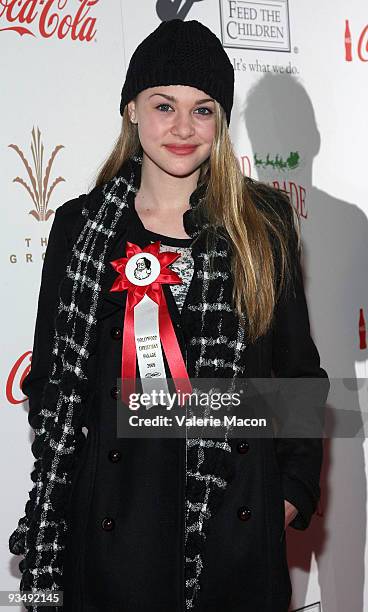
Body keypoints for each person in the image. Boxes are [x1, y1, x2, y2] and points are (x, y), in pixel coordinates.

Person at [9, 19, 330, 612]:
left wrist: (284, 494)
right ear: (131, 109)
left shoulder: (263, 224)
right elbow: (54, 382)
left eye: (203, 110)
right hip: (108, 530)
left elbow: (298, 376)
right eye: (164, 106)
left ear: (222, 120)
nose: (183, 128)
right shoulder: (82, 228)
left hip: (228, 532)